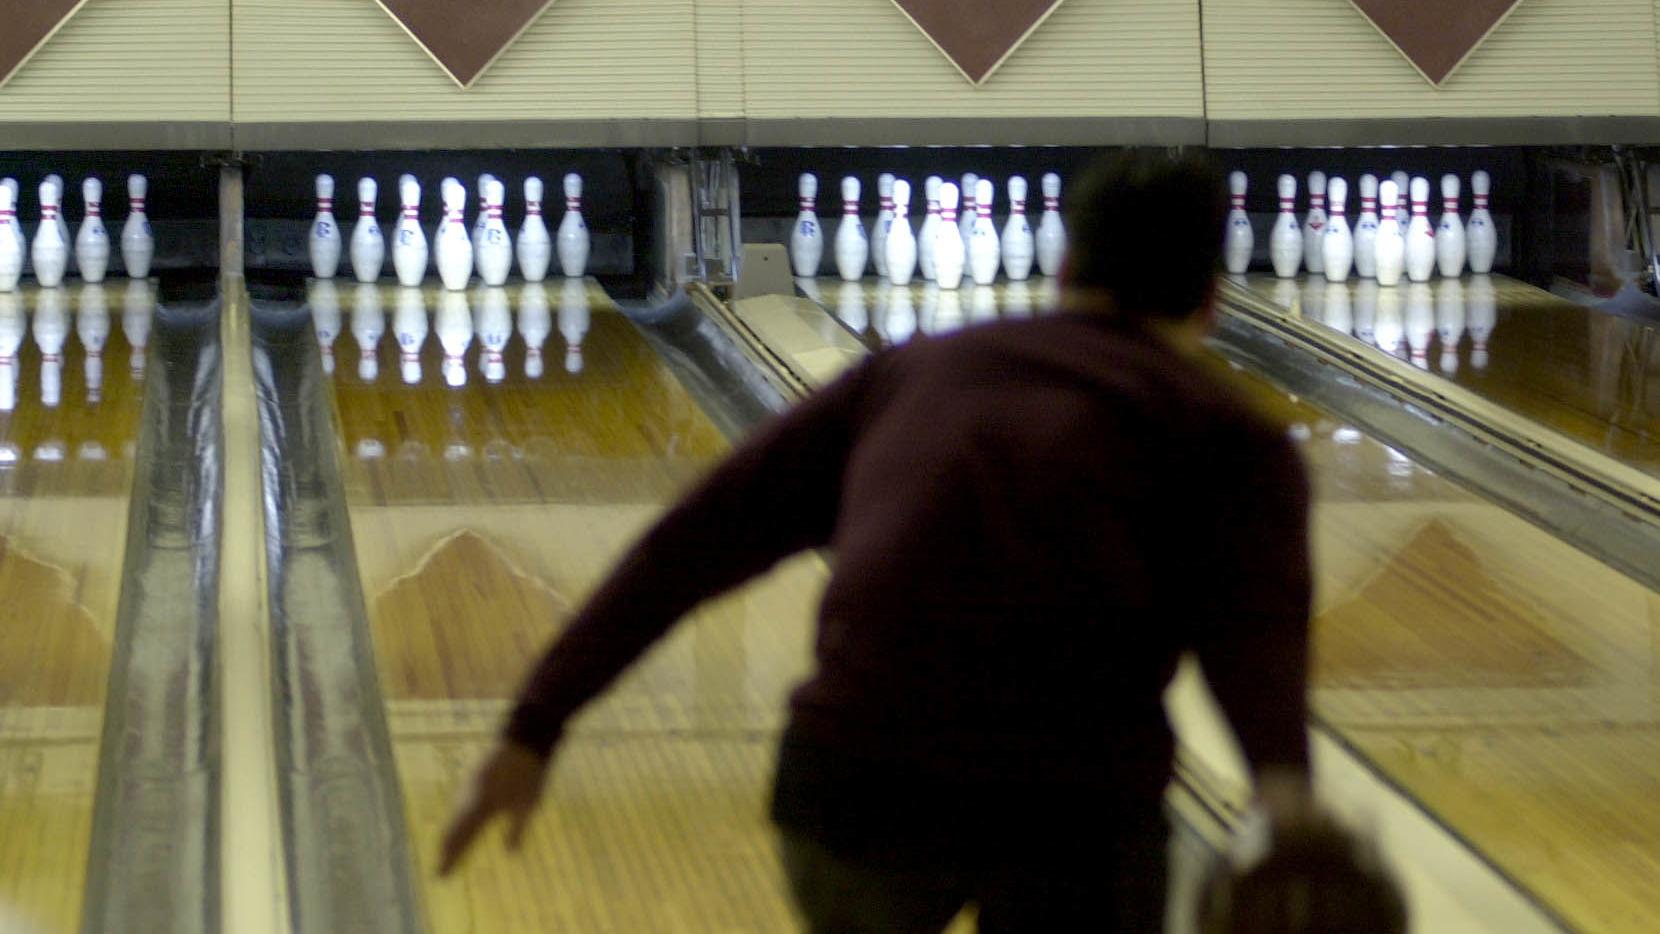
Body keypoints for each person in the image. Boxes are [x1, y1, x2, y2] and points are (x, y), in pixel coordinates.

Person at [440, 150, 1314, 932]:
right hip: (1077, 807)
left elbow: (691, 544)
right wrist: (1290, 807)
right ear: (1209, 299)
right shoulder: (1236, 440)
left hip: (854, 788)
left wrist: (534, 728)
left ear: (1066, 267)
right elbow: (1256, 651)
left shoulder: (916, 371)